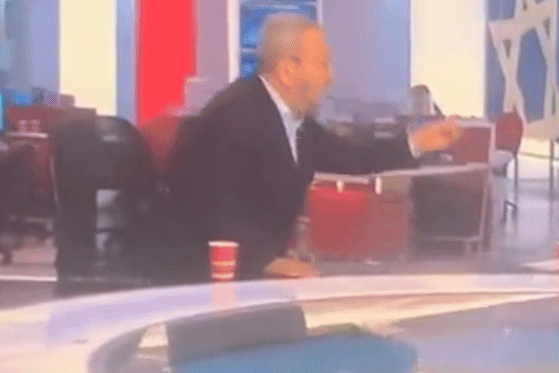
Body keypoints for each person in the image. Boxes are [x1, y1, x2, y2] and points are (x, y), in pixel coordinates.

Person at [152, 14, 462, 283]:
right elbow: (213, 208)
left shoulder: (296, 123)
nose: (331, 77)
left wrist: (416, 142)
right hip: (200, 282)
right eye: (323, 65)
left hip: (253, 278)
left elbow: (353, 157)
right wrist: (265, 260)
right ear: (288, 71)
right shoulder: (232, 116)